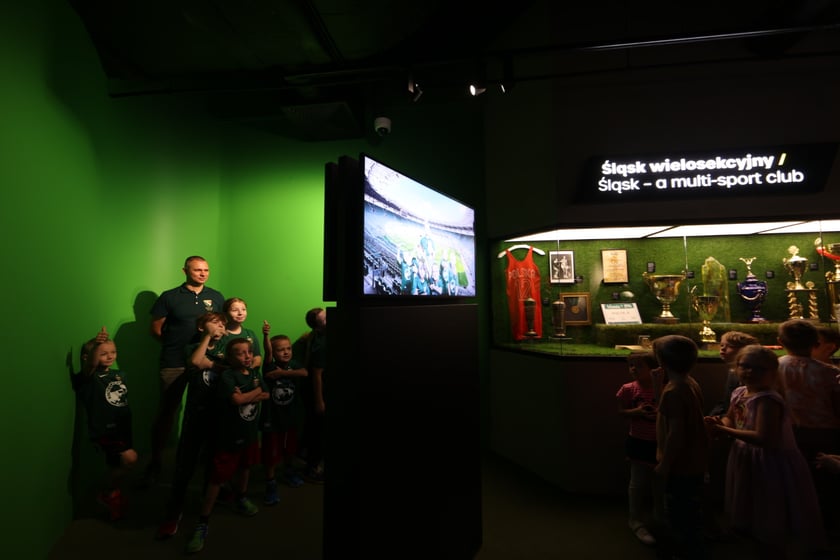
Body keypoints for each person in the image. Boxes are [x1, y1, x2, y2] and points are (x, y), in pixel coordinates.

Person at [705, 345, 826, 557]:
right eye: (745, 366)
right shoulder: (739, 392)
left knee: (769, 508)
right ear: (736, 367)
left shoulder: (768, 400)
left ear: (772, 372)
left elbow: (764, 438)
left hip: (770, 462)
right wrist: (719, 423)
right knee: (751, 502)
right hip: (746, 456)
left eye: (759, 368)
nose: (750, 371)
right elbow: (731, 418)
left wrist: (723, 430)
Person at [185, 338, 269, 554]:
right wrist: (254, 394)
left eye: (249, 352)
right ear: (230, 358)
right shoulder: (228, 376)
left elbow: (266, 393)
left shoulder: (254, 373)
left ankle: (241, 497)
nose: (247, 356)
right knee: (217, 477)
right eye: (240, 353)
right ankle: (203, 521)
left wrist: (248, 395)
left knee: (246, 466)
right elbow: (237, 401)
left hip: (249, 433)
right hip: (229, 436)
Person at [146, 256, 225, 484]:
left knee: (208, 410)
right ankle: (156, 460)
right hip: (175, 362)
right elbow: (156, 329)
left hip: (205, 362)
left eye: (206, 270)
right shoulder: (169, 297)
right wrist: (174, 345)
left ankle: (204, 459)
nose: (203, 274)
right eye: (197, 270)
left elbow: (221, 326)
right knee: (167, 411)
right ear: (185, 271)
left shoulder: (216, 296)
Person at [155, 311, 228, 540]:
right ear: (201, 328)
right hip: (195, 415)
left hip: (218, 416)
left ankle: (206, 508)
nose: (218, 326)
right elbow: (196, 361)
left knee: (213, 463)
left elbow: (235, 366)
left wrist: (213, 364)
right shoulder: (192, 347)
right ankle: (174, 511)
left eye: (221, 324)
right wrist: (207, 338)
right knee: (184, 465)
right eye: (213, 323)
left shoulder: (227, 348)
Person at [777, 318, 840, 533]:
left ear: (780, 341)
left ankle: (797, 524)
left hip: (789, 432)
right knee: (824, 481)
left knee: (794, 479)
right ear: (816, 343)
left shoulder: (775, 367)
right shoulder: (829, 372)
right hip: (825, 433)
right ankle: (826, 526)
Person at [651, 335, 708, 560]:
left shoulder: (674, 391)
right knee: (690, 509)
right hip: (693, 459)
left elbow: (676, 431)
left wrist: (665, 463)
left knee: (679, 512)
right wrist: (658, 387)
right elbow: (667, 412)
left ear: (661, 362)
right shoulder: (689, 383)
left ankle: (685, 552)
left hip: (679, 463)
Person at [71, 328, 138, 521]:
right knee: (130, 459)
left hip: (122, 428)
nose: (110, 356)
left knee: (116, 464)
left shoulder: (119, 374)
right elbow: (90, 366)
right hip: (106, 430)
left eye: (113, 352)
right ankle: (107, 493)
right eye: (103, 353)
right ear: (88, 357)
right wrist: (96, 348)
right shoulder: (89, 378)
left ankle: (113, 494)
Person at [261, 321, 309, 504]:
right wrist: (266, 336)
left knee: (290, 448)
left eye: (288, 348)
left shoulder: (293, 365)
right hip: (273, 420)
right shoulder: (269, 367)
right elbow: (267, 353)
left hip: (291, 417)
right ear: (273, 353)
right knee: (271, 454)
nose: (286, 352)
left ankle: (288, 471)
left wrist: (283, 374)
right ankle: (270, 482)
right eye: (281, 350)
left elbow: (304, 373)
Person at [616, 351, 659, 546]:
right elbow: (621, 412)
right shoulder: (627, 389)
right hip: (638, 440)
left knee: (660, 482)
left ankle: (659, 518)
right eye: (631, 365)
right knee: (637, 483)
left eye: (639, 365)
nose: (633, 369)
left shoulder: (664, 388)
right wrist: (638, 411)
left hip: (661, 441)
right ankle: (635, 520)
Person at [295, 307, 327, 483]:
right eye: (325, 319)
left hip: (315, 392)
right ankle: (312, 468)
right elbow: (317, 374)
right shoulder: (320, 343)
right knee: (318, 431)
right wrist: (319, 401)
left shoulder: (318, 337)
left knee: (315, 429)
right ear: (319, 326)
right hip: (316, 393)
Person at [707, 331, 760, 418]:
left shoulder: (746, 376)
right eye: (722, 345)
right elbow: (726, 401)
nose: (723, 349)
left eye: (730, 346)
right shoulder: (732, 372)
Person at [221, 297, 262, 369]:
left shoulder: (250, 334)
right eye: (234, 310)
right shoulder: (219, 335)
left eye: (243, 309)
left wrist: (248, 372)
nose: (240, 313)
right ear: (225, 313)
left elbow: (257, 357)